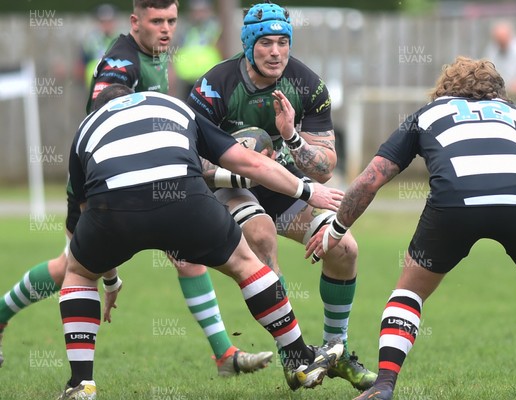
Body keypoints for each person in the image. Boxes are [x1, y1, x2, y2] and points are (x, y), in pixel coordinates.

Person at [0, 0, 273, 378]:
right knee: (70, 269)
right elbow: (105, 101)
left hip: (149, 182)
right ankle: (1, 317)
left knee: (188, 259)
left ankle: (223, 354)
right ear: (135, 21)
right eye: (156, 20)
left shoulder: (157, 54)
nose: (166, 29)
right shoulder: (121, 60)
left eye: (171, 20)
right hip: (102, 184)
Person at [306, 56, 516, 400]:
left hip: (453, 204)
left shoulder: (428, 114)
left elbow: (369, 182)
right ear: (498, 90)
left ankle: (383, 386)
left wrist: (336, 229)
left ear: (444, 87)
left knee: (409, 293)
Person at [57, 84, 345, 399]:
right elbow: (249, 163)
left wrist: (109, 281)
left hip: (114, 207)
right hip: (183, 195)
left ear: (100, 108)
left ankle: (81, 384)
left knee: (79, 273)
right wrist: (307, 191)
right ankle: (299, 357)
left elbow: (85, 220)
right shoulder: (172, 105)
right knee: (245, 263)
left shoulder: (87, 127)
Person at [186, 1, 376, 391]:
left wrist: (290, 135)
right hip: (230, 187)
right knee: (260, 236)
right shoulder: (214, 87)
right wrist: (236, 171)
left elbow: (324, 167)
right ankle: (293, 355)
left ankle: (333, 350)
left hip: (285, 185)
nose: (276, 52)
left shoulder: (307, 84)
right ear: (249, 45)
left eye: (283, 42)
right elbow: (190, 160)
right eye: (266, 43)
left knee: (345, 249)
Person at [172, 0, 223, 98]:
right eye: (195, 11)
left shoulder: (215, 28)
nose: (198, 14)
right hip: (186, 79)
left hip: (209, 79)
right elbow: (175, 51)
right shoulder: (184, 29)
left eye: (201, 11)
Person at [482, 20, 516, 94]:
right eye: (498, 38)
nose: (500, 41)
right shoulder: (491, 50)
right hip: (499, 92)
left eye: (502, 37)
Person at [75, 4, 120, 90]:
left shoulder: (121, 40)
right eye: (103, 21)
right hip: (94, 86)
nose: (106, 25)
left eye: (109, 21)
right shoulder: (90, 41)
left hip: (116, 87)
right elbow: (81, 65)